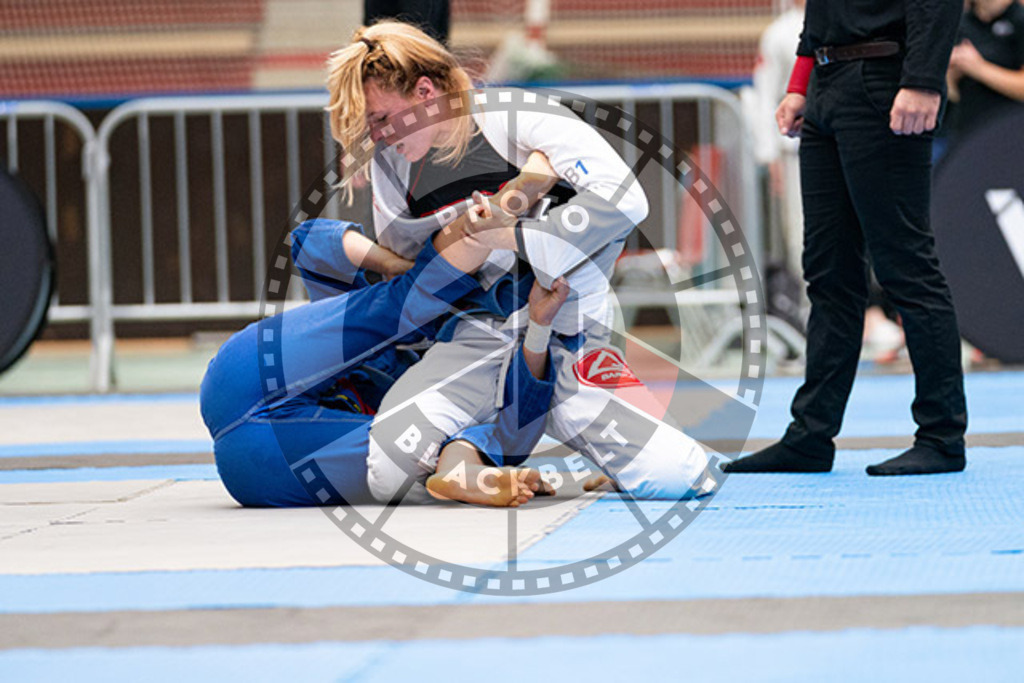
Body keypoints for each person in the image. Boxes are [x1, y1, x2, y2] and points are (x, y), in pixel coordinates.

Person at [313, 20, 712, 506]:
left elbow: (627, 202)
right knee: (386, 471)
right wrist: (480, 228)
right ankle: (473, 450)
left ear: (424, 91)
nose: (376, 136)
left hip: (569, 337)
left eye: (381, 119)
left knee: (678, 477)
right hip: (474, 340)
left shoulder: (520, 119)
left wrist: (513, 227)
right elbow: (418, 269)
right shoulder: (393, 170)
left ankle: (575, 442)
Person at [724, 0, 969, 476]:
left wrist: (922, 80)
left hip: (885, 78)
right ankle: (810, 436)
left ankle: (942, 437)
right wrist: (799, 85)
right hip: (826, 81)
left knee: (906, 264)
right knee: (827, 270)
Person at [200, 200, 564, 507]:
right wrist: (395, 266)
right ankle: (458, 464)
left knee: (411, 452)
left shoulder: (495, 369)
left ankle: (460, 467)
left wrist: (539, 326)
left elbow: (521, 420)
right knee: (402, 306)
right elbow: (310, 242)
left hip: (259, 463)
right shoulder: (409, 316)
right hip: (252, 431)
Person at [945, 0, 1024, 144]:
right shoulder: (962, 22)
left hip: (1010, 131)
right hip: (966, 131)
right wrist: (950, 74)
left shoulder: (1018, 18)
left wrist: (978, 68)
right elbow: (952, 93)